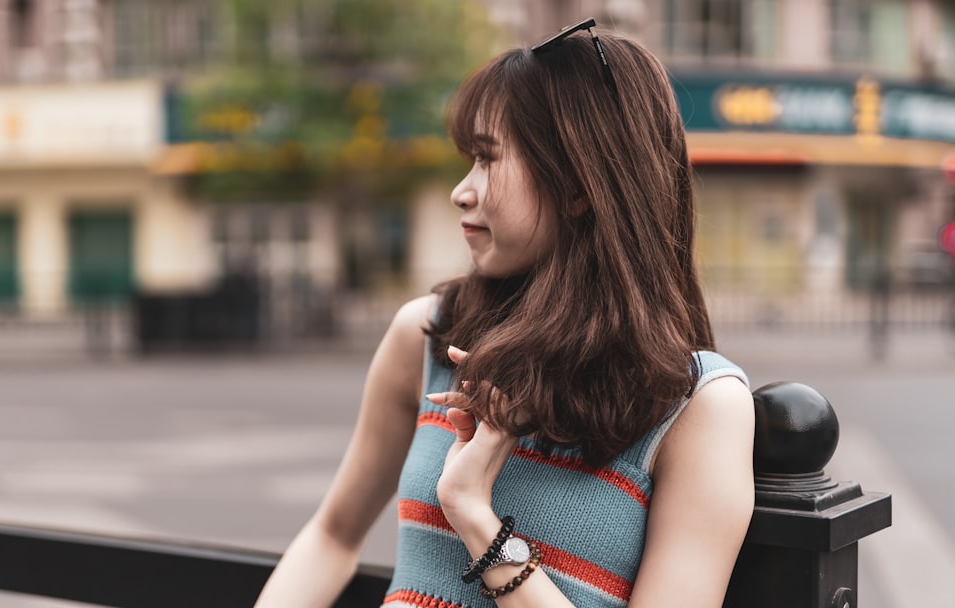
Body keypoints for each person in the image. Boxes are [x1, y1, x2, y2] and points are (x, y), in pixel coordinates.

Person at [254, 19, 754, 608]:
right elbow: (333, 534)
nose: (461, 191)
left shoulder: (697, 405)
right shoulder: (429, 334)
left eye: (487, 161)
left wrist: (477, 522)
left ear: (576, 187)